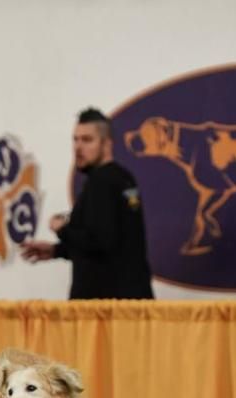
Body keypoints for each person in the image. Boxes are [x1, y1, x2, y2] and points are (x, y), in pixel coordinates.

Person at [21, 107, 154, 299]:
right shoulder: (123, 178)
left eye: (87, 140)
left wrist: (62, 229)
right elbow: (113, 245)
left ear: (107, 144)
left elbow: (101, 243)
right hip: (127, 308)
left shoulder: (102, 181)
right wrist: (57, 250)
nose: (78, 147)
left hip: (105, 312)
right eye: (75, 139)